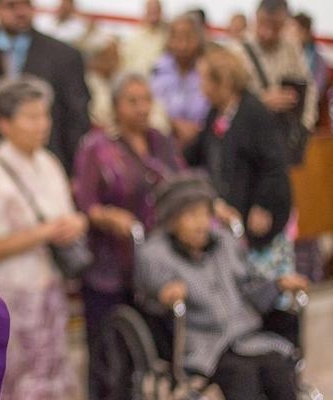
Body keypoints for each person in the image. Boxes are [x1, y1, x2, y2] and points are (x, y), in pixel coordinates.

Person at [135, 172, 308, 400]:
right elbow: (152, 288)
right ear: (171, 221)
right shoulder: (156, 253)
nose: (200, 223)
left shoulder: (224, 243)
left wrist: (277, 285)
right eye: (191, 215)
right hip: (205, 347)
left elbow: (249, 288)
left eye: (205, 214)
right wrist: (166, 293)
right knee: (243, 377)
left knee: (277, 369)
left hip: (245, 335)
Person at [72, 72, 184, 400]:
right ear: (116, 105)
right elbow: (86, 203)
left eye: (146, 100)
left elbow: (179, 183)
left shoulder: (159, 141)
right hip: (109, 262)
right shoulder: (98, 147)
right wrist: (109, 216)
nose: (141, 108)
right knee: (108, 349)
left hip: (153, 259)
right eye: (132, 101)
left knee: (147, 346)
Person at [0, 75, 84, 399]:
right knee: (14, 380)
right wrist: (44, 233)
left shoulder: (48, 162)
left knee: (52, 374)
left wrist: (76, 224)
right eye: (31, 117)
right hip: (11, 296)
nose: (42, 125)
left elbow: (66, 214)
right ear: (4, 123)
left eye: (44, 115)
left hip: (50, 290)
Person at [186, 45, 297, 344]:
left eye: (205, 81)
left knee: (270, 293)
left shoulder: (253, 112)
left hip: (259, 221)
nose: (201, 88)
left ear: (222, 82)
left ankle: (281, 352)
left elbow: (275, 165)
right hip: (229, 218)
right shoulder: (216, 113)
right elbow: (198, 152)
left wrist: (263, 205)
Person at [0, 0, 90, 172]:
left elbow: (76, 118)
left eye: (26, 5)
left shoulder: (63, 55)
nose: (20, 12)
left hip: (44, 163)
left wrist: (71, 169)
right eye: (11, 6)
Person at [230, 0, 317, 164]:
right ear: (255, 18)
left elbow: (309, 88)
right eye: (262, 24)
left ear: (284, 24)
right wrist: (261, 102)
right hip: (250, 140)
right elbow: (228, 102)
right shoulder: (237, 51)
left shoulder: (291, 47)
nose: (267, 33)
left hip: (284, 139)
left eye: (275, 27)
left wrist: (304, 126)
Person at [151, 13, 210, 147]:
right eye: (177, 37)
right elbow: (154, 105)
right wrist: (175, 124)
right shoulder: (159, 68)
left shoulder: (208, 70)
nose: (182, 45)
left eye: (188, 38)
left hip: (202, 141)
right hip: (164, 141)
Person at [120, 0, 168, 75]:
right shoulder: (135, 35)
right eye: (150, 10)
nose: (153, 14)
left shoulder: (167, 37)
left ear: (161, 12)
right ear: (145, 12)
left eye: (156, 10)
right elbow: (125, 62)